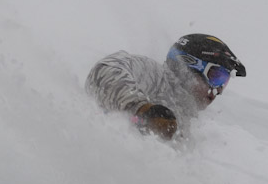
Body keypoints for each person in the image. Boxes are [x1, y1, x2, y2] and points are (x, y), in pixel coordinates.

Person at [85, 33, 246, 140]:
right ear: (188, 66)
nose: (217, 91)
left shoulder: (185, 120)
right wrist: (141, 108)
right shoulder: (157, 76)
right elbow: (105, 72)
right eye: (217, 77)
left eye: (224, 83)